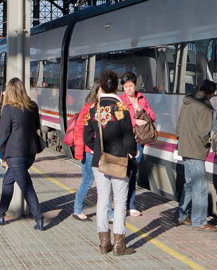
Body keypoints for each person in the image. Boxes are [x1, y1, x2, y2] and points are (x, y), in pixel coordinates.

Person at [84, 70, 137, 255]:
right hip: (119, 161)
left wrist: (98, 149)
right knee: (120, 202)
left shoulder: (93, 108)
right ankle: (119, 245)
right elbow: (129, 138)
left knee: (102, 201)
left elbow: (87, 136)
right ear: (116, 87)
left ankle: (104, 243)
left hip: (99, 161)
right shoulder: (121, 109)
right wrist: (132, 153)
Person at [0, 77, 44, 230]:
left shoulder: (8, 108)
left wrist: (2, 155)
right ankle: (0, 214)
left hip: (15, 155)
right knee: (7, 181)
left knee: (26, 186)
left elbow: (4, 134)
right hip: (30, 154)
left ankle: (39, 217)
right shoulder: (32, 106)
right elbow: (37, 126)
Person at [174, 80, 217, 232]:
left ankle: (181, 215)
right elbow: (203, 132)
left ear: (199, 88)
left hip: (185, 148)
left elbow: (178, 128)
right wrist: (208, 144)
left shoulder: (187, 102)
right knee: (200, 187)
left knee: (189, 184)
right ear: (211, 94)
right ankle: (199, 221)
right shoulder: (205, 106)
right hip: (196, 150)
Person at [118, 72, 156, 217]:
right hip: (125, 139)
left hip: (139, 140)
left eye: (130, 86)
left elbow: (152, 117)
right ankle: (122, 203)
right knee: (124, 172)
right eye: (125, 86)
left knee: (133, 171)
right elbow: (119, 119)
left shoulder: (141, 98)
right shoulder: (120, 100)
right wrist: (135, 122)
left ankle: (131, 204)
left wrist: (140, 109)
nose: (128, 89)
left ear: (135, 85)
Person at [72, 82, 101, 221]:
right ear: (96, 93)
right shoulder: (88, 109)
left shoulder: (103, 108)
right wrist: (80, 152)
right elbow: (79, 131)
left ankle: (108, 213)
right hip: (89, 151)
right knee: (88, 181)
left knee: (103, 183)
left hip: (99, 150)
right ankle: (77, 209)